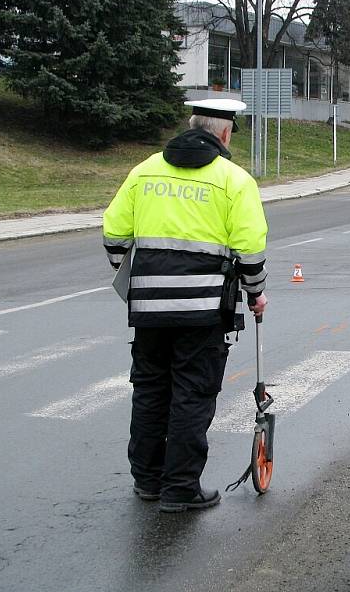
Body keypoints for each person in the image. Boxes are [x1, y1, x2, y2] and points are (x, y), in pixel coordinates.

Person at [102, 98, 268, 513]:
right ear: (225, 134)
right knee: (192, 394)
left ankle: (147, 481)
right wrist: (256, 292)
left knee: (150, 391)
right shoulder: (233, 180)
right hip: (203, 311)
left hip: (148, 309)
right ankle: (179, 489)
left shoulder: (145, 171)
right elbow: (250, 248)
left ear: (190, 125)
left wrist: (133, 273)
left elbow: (114, 233)